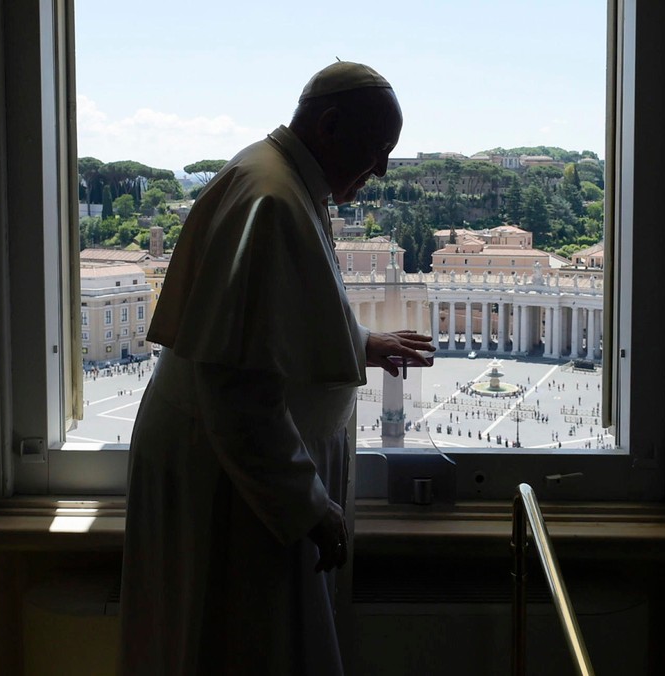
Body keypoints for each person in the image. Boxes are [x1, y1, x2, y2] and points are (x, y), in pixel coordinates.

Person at [119, 62, 434, 675]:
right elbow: (235, 387)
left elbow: (277, 318)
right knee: (247, 649)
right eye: (377, 150)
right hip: (240, 487)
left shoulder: (282, 183)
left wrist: (360, 341)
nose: (383, 170)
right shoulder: (270, 198)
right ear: (330, 123)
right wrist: (309, 506)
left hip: (240, 478)